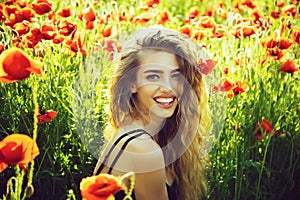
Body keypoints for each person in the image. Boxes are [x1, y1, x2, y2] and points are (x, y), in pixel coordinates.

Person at [93, 26, 211, 200]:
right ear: (132, 83)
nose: (168, 87)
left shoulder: (149, 135)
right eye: (153, 76)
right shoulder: (144, 149)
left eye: (176, 76)